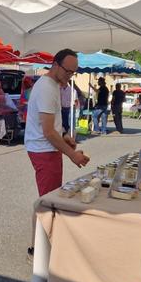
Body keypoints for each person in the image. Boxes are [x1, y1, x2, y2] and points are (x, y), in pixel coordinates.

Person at [25, 49, 90, 259]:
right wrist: (72, 154)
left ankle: (41, 247)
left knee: (47, 199)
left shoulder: (52, 86)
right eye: (68, 71)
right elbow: (47, 131)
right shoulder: (46, 88)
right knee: (47, 201)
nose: (69, 76)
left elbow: (52, 126)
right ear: (55, 65)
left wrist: (65, 135)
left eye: (73, 73)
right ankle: (38, 251)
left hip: (46, 148)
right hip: (44, 150)